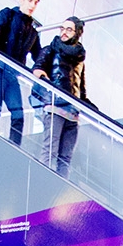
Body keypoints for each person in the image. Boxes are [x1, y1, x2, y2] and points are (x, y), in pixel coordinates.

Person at [0, 0, 42, 145]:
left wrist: (43, 69)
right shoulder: (8, 14)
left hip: (11, 73)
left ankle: (14, 147)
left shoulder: (33, 32)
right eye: (30, 1)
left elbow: (38, 56)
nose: (33, 5)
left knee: (18, 114)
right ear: (21, 0)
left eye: (35, 3)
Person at [31, 17, 87, 176]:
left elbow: (81, 86)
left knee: (66, 156)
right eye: (62, 28)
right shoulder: (51, 49)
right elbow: (38, 68)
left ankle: (60, 184)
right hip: (55, 105)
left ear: (77, 33)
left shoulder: (79, 58)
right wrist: (42, 76)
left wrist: (87, 105)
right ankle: (44, 180)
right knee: (50, 149)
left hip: (73, 110)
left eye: (69, 29)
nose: (64, 32)